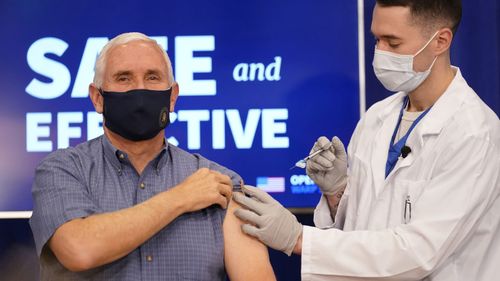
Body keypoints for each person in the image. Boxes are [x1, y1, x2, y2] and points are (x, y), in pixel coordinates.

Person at [233, 0, 500, 280]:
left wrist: (299, 238)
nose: (380, 53)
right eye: (377, 39)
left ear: (441, 41)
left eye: (393, 43)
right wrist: (338, 193)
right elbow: (365, 229)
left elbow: (419, 253)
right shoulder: (378, 116)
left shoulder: (474, 134)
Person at [29, 32, 276, 281]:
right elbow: (78, 249)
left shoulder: (220, 183)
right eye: (123, 78)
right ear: (97, 98)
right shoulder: (62, 170)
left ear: (172, 96)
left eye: (152, 77)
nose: (139, 89)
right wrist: (181, 197)